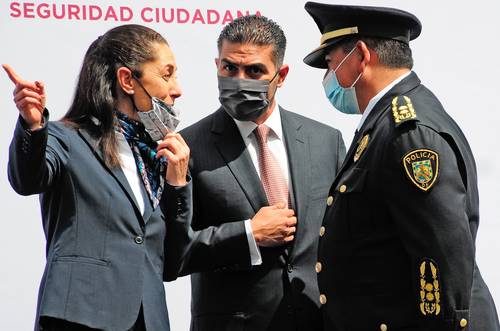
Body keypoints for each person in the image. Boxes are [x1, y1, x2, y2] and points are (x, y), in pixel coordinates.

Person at [303, 2, 500, 331]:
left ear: (362, 56)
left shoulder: (408, 133)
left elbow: (440, 261)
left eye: (330, 63)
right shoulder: (385, 124)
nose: (328, 76)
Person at [3, 24, 192, 331]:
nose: (177, 89)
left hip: (148, 321)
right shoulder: (67, 138)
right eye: (166, 74)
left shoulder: (159, 157)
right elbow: (27, 180)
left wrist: (177, 184)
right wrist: (33, 126)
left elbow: (173, 260)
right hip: (79, 316)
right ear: (127, 80)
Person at [179, 15, 345, 331]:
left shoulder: (326, 141)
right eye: (229, 68)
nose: (240, 79)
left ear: (281, 75)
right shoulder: (188, 147)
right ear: (216, 65)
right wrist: (248, 235)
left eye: (254, 71)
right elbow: (173, 251)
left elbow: (346, 237)